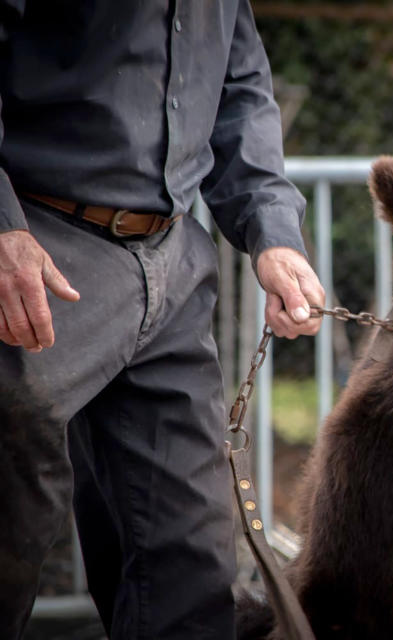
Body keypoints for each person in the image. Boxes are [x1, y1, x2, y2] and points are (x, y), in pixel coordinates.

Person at [0, 1, 325, 637]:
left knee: (191, 561)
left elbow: (240, 87)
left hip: (174, 266)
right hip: (35, 251)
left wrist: (274, 231)